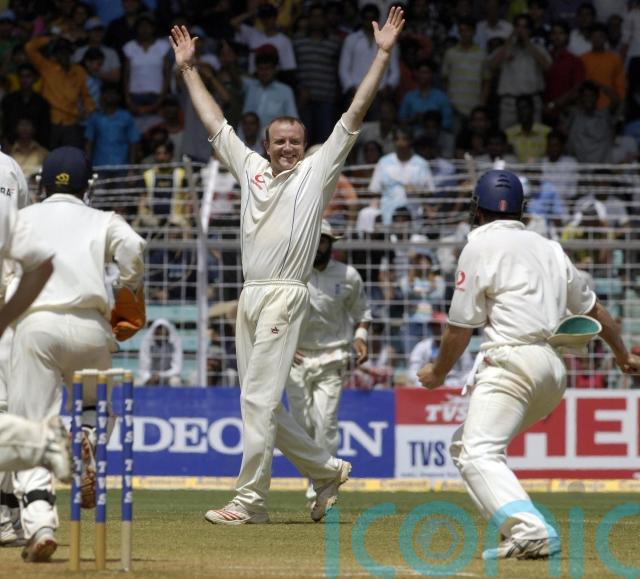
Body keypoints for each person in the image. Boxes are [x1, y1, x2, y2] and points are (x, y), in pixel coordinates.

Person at [170, 6, 405, 525]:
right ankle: (326, 469)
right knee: (261, 403)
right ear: (267, 144)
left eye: (295, 142)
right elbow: (214, 122)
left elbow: (355, 113)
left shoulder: (316, 172)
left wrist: (382, 55)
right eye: (279, 142)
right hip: (250, 293)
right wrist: (188, 69)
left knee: (257, 400)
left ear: (304, 145)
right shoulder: (250, 169)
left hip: (285, 292)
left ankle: (250, 501)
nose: (287, 149)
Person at [417, 169, 640, 560]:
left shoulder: (478, 246)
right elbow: (594, 309)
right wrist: (622, 354)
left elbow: (460, 327)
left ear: (476, 209)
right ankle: (518, 530)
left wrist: (437, 373)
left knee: (477, 453)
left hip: (512, 362)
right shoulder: (549, 247)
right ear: (522, 209)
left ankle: (531, 530)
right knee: (466, 446)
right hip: (552, 371)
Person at [10, 146, 146, 562]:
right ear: (90, 185)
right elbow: (134, 246)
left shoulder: (23, 218)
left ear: (41, 184)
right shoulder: (103, 219)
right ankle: (86, 437)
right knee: (97, 406)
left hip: (37, 325)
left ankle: (40, 522)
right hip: (91, 326)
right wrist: (127, 287)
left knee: (32, 426)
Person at [285, 220, 372, 504]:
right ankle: (319, 475)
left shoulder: (348, 275)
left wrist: (360, 337)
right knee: (302, 425)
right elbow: (278, 312)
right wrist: (285, 343)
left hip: (332, 356)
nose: (317, 245)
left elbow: (362, 313)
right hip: (296, 357)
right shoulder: (292, 273)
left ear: (331, 243)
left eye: (322, 240)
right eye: (314, 239)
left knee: (326, 423)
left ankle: (321, 487)